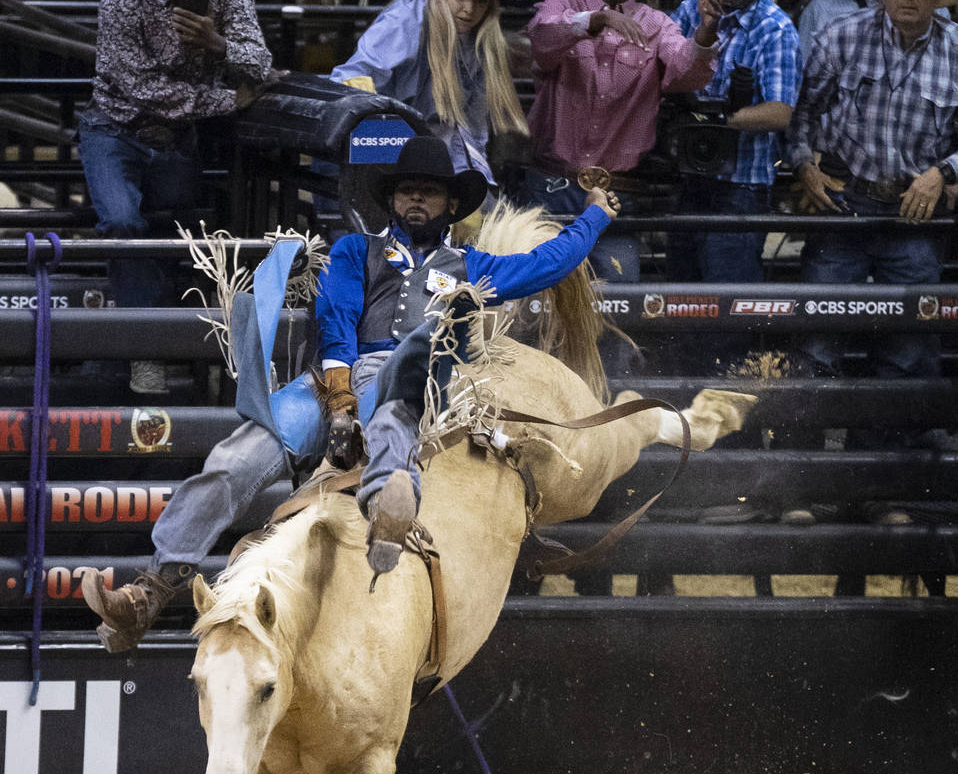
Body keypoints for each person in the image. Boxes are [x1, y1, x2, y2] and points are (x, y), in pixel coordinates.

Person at [81, 136, 620, 647]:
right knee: (236, 458)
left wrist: (594, 213)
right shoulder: (354, 251)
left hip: (416, 378)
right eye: (406, 188)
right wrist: (339, 398)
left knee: (392, 406)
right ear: (390, 198)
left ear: (450, 203)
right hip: (334, 375)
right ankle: (153, 589)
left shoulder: (470, 267)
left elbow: (547, 263)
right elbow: (336, 316)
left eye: (428, 190)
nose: (415, 198)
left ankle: (389, 509)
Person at [784, 0, 958, 523]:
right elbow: (801, 113)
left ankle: (882, 489)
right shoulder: (840, 38)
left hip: (914, 216)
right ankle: (808, 490)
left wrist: (943, 171)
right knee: (818, 340)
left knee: (907, 354)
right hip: (846, 202)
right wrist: (806, 168)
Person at [77, 0, 274, 395]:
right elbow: (135, 88)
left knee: (173, 234)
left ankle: (137, 350)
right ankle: (145, 353)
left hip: (175, 140)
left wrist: (216, 43)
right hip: (116, 128)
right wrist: (226, 101)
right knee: (124, 222)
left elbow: (261, 63)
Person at [522, 0, 719, 226]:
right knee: (546, 274)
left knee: (620, 274)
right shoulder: (561, 6)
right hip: (552, 182)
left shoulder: (657, 25)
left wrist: (706, 35)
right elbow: (543, 37)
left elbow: (686, 70)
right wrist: (597, 19)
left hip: (619, 189)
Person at [668, 0, 802, 370]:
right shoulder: (687, 13)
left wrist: (713, 120)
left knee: (728, 315)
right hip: (687, 183)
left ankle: (728, 427)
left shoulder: (775, 28)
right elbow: (657, 76)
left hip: (742, 188)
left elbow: (780, 111)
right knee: (679, 305)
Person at [329, 0, 528, 188]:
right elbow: (353, 78)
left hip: (425, 156)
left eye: (481, 1)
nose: (469, 9)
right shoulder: (409, 17)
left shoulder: (481, 44)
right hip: (371, 145)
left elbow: (470, 131)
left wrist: (473, 183)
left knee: (475, 209)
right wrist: (382, 149)